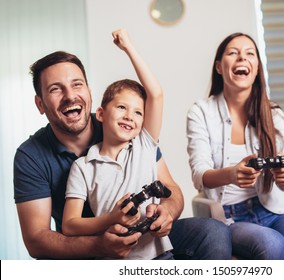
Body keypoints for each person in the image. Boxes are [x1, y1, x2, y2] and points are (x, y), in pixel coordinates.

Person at [13, 29, 232, 260]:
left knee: (213, 232)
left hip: (147, 238)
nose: (70, 95)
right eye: (55, 89)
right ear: (40, 104)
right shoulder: (38, 157)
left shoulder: (131, 136)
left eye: (77, 84)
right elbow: (38, 240)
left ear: (89, 91)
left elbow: (172, 190)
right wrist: (101, 243)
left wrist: (166, 212)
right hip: (84, 251)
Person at [186, 32, 284, 260]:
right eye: (233, 53)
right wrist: (232, 174)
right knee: (271, 244)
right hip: (230, 216)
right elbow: (199, 174)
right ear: (219, 67)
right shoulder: (201, 112)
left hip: (276, 209)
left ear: (257, 67)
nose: (242, 58)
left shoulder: (274, 114)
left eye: (249, 53)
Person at [62, 29, 171, 259]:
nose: (130, 116)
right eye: (122, 107)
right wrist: (110, 219)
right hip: (116, 260)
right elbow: (70, 225)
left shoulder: (144, 146)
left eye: (138, 112)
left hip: (158, 256)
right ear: (100, 114)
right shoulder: (83, 167)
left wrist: (128, 48)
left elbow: (156, 94)